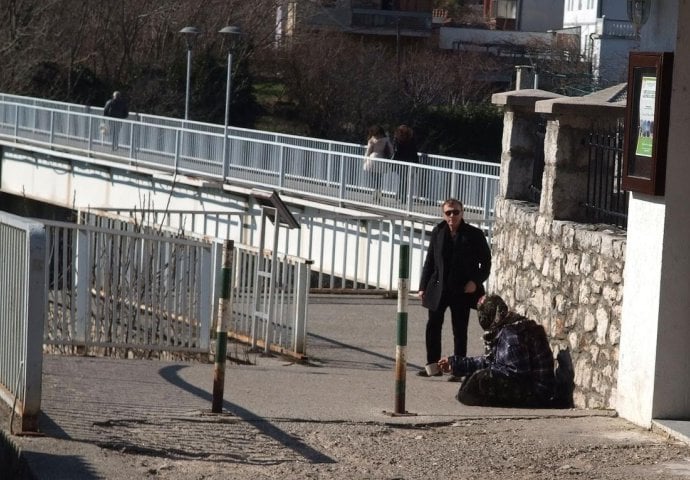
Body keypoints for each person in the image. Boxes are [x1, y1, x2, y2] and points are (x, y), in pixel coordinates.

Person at [417, 198, 491, 380]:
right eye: (448, 213)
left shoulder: (474, 234)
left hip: (462, 291)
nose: (452, 216)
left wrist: (475, 281)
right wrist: (422, 287)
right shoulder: (438, 232)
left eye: (456, 212)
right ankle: (433, 366)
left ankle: (459, 369)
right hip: (438, 288)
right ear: (443, 214)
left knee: (459, 330)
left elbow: (486, 263)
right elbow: (430, 261)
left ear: (462, 213)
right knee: (432, 327)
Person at [438, 294, 556, 407]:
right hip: (535, 389)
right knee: (474, 378)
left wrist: (487, 374)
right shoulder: (508, 328)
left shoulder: (511, 336)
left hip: (537, 394)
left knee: (482, 379)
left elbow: (518, 375)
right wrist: (455, 363)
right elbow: (490, 360)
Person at [363, 125, 393, 202]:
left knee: (374, 178)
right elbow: (391, 150)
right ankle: (379, 194)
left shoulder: (372, 140)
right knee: (379, 178)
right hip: (382, 159)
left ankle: (375, 194)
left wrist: (365, 159)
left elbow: (368, 151)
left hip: (372, 159)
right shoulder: (386, 140)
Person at [391, 124, 419, 202]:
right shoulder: (411, 138)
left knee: (402, 179)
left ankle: (400, 194)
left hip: (399, 161)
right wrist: (416, 162)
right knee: (405, 179)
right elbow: (414, 150)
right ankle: (401, 195)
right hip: (409, 161)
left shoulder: (397, 139)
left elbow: (395, 150)